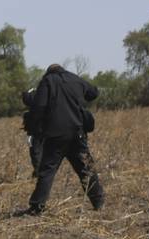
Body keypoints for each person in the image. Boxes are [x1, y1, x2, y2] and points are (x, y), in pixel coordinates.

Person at [23, 65, 104, 216]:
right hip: (77, 133)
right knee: (86, 168)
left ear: (49, 72)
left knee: (47, 171)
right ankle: (98, 202)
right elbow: (93, 93)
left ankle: (37, 207)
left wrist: (35, 129)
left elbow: (39, 106)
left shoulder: (47, 81)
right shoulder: (75, 79)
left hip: (55, 135)